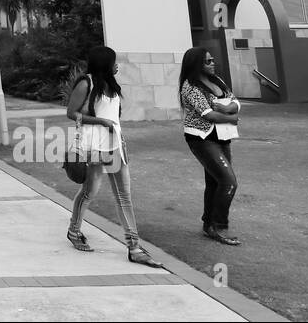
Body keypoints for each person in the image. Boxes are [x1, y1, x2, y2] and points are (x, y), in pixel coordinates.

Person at [65, 45, 163, 268]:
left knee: (124, 196)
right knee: (90, 192)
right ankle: (73, 230)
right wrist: (100, 121)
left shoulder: (111, 83)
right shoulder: (86, 83)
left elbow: (112, 113)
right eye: (113, 61)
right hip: (94, 145)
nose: (116, 64)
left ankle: (134, 247)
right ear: (105, 63)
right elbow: (71, 113)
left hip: (115, 144)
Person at [179, 46, 242, 245]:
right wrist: (231, 118)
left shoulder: (217, 80)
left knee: (215, 182)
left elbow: (236, 103)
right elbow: (208, 114)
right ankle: (218, 225)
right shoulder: (190, 87)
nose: (213, 63)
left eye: (212, 60)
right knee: (228, 181)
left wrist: (226, 107)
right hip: (201, 138)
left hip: (222, 137)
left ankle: (209, 225)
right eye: (208, 61)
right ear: (197, 64)